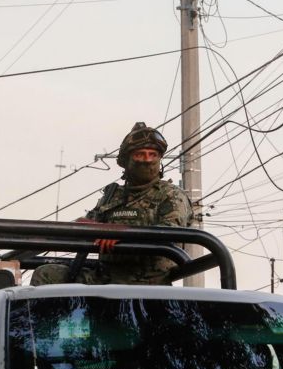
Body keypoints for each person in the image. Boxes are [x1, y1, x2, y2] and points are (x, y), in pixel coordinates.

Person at [31, 122, 194, 286]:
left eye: (153, 155)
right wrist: (98, 228)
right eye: (140, 154)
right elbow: (84, 223)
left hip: (149, 284)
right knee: (47, 274)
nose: (147, 160)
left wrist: (121, 234)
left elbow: (168, 233)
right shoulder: (113, 196)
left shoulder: (171, 195)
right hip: (105, 278)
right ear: (126, 161)